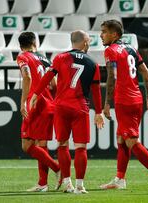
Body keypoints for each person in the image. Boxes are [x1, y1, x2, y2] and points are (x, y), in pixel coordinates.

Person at [30, 30, 104, 194]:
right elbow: (96, 90)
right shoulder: (93, 63)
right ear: (85, 43)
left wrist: (36, 93)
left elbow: (48, 77)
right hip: (80, 107)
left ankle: (67, 184)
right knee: (81, 147)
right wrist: (98, 112)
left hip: (61, 107)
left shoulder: (60, 58)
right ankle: (80, 186)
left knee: (62, 145)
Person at [99, 19, 148, 190]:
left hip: (123, 100)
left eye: (104, 32)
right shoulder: (131, 49)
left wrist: (106, 103)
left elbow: (112, 77)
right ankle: (120, 179)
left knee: (131, 140)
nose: (101, 35)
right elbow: (146, 74)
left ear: (114, 34)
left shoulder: (110, 51)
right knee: (122, 138)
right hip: (136, 99)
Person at [16, 31, 61, 192]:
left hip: (34, 104)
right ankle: (43, 184)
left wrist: (23, 102)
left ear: (21, 45)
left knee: (27, 145)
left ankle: (57, 169)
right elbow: (55, 84)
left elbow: (27, 77)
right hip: (49, 104)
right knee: (42, 144)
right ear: (36, 43)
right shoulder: (45, 59)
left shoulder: (22, 57)